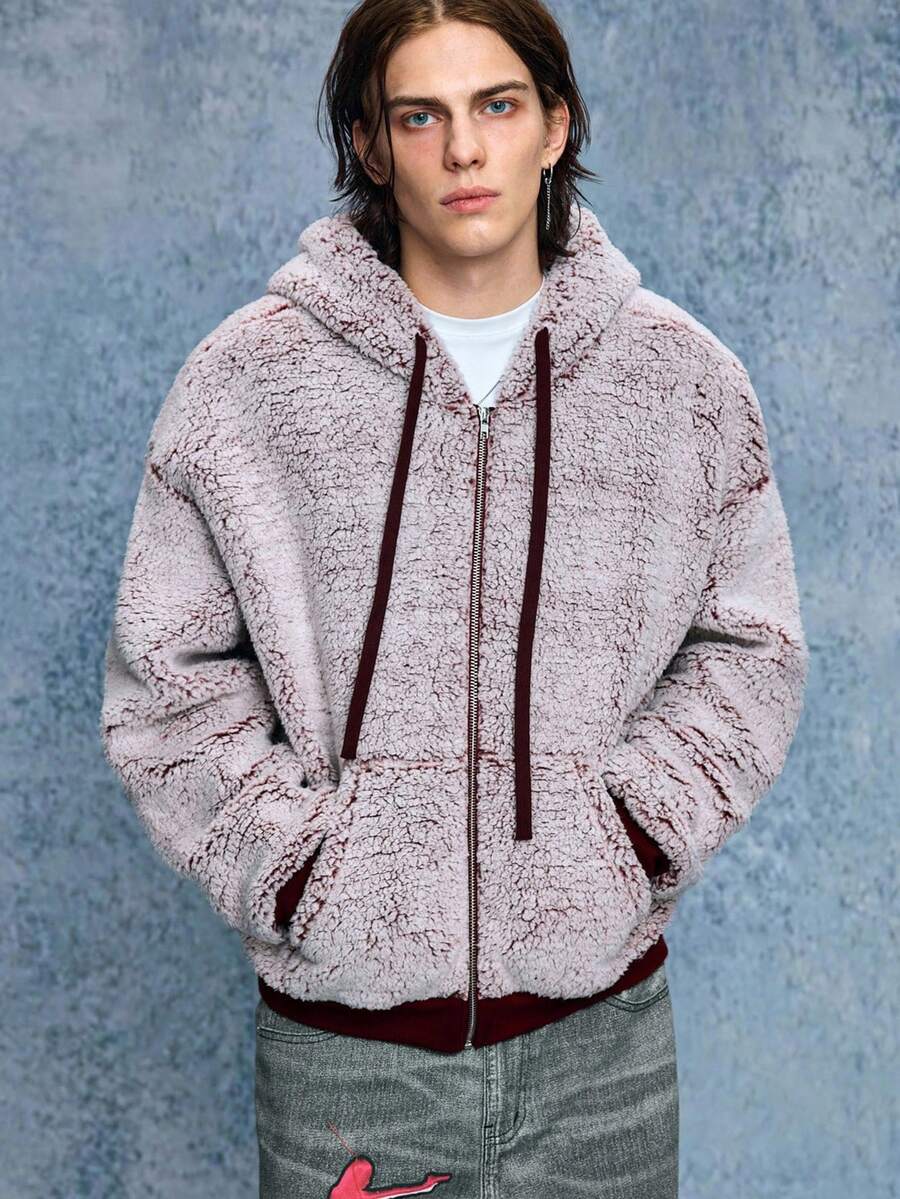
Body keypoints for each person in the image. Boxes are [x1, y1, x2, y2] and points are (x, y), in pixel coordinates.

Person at [99, 2, 810, 1195]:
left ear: (555, 124)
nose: (465, 150)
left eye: (498, 105)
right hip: (347, 1058)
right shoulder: (248, 384)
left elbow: (750, 646)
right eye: (421, 116)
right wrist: (298, 869)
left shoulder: (681, 382)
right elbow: (167, 676)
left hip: (602, 1050)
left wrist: (630, 833)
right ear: (371, 144)